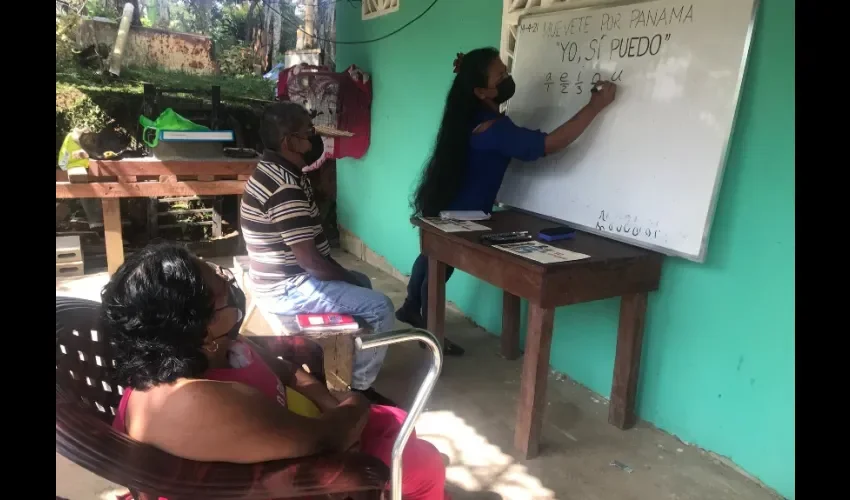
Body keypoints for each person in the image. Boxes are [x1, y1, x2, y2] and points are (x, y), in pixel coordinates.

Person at [102, 242, 450, 500]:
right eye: (225, 291)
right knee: (425, 464)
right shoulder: (192, 400)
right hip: (298, 468)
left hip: (309, 430)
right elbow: (325, 440)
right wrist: (354, 405)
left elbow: (283, 371)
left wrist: (326, 400)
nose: (233, 287)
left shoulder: (211, 349)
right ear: (201, 326)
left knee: (398, 421)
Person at [395, 48, 617, 355]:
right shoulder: (493, 130)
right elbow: (550, 144)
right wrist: (595, 106)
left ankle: (411, 307)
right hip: (465, 216)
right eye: (501, 76)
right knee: (438, 270)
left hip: (446, 203)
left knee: (430, 260)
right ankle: (429, 332)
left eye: (505, 70)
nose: (508, 78)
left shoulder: (467, 114)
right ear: (482, 90)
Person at [240, 102, 393, 404]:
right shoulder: (284, 186)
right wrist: (345, 277)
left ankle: (335, 359)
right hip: (287, 287)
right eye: (308, 133)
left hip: (281, 279)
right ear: (289, 142)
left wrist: (348, 278)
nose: (314, 139)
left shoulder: (275, 169)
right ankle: (356, 388)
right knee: (380, 306)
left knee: (363, 282)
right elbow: (309, 262)